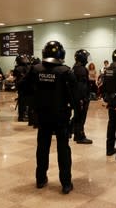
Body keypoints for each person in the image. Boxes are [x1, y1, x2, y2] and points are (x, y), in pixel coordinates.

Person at [22, 40, 76, 194]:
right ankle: (66, 183)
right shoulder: (65, 71)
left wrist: (34, 104)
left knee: (42, 147)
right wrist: (76, 116)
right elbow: (76, 96)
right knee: (63, 149)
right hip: (61, 117)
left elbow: (22, 87)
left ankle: (40, 179)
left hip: (42, 115)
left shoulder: (35, 69)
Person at [72, 49, 93, 144]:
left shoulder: (76, 67)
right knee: (81, 117)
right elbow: (81, 86)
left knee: (77, 116)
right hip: (81, 98)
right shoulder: (81, 69)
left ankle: (77, 135)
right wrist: (83, 98)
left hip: (77, 97)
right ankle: (80, 136)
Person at [13, 55, 30, 121]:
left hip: (21, 88)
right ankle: (25, 116)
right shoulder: (29, 67)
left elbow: (14, 78)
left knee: (21, 102)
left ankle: (21, 116)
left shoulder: (17, 68)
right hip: (27, 87)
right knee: (27, 102)